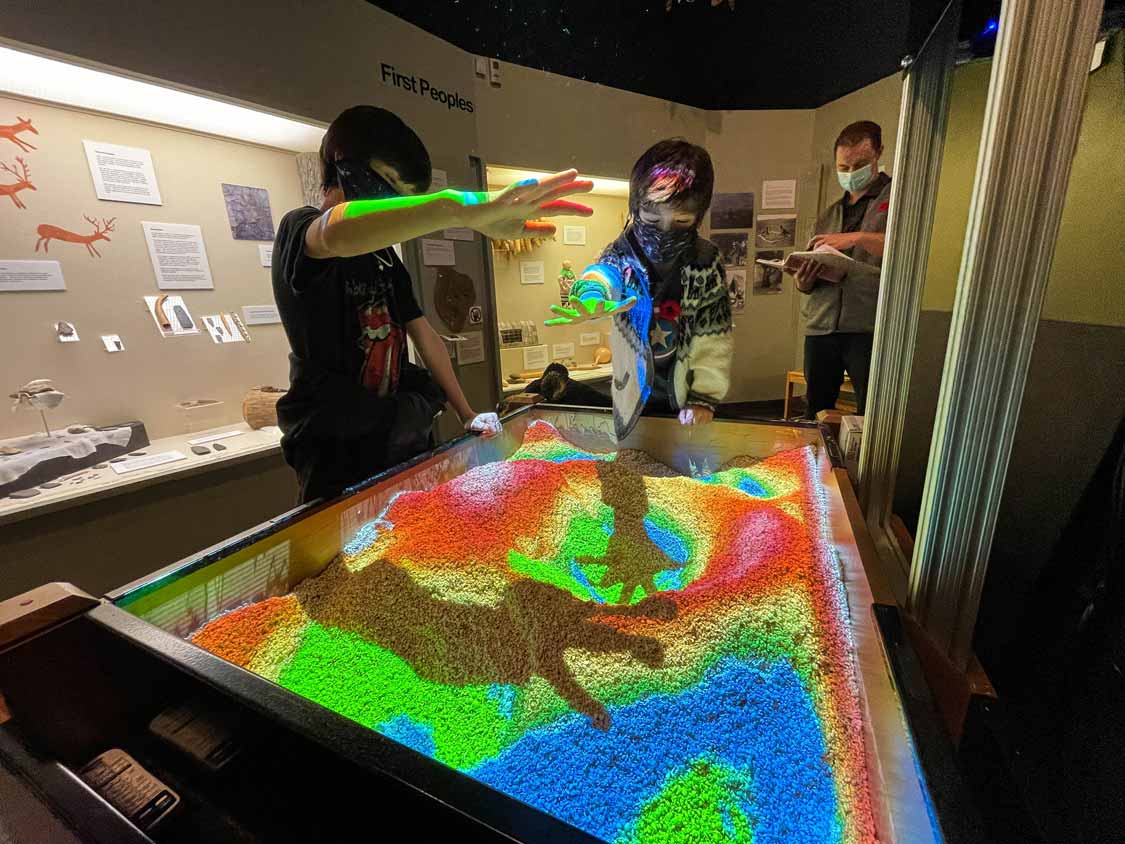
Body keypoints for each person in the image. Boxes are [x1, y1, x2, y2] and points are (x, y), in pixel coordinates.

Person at [273, 105, 593, 503]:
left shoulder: (386, 259)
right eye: (394, 193)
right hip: (335, 442)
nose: (401, 207)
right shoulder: (299, 229)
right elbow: (334, 232)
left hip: (392, 431)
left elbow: (424, 334)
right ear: (349, 170)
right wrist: (456, 208)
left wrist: (465, 412)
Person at [543, 139, 733, 439]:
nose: (665, 230)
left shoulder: (706, 260)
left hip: (685, 395)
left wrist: (705, 397)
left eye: (682, 220)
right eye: (652, 219)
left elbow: (714, 337)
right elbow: (603, 275)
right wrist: (592, 294)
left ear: (699, 216)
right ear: (635, 208)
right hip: (633, 395)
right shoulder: (621, 252)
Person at [790, 120, 891, 418]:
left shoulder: (898, 199)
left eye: (859, 164)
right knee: (816, 411)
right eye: (843, 167)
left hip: (868, 326)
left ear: (879, 154)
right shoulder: (830, 213)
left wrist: (858, 237)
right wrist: (803, 280)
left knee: (871, 412)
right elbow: (812, 271)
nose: (850, 173)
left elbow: (907, 248)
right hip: (822, 325)